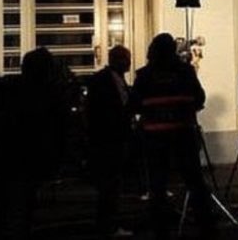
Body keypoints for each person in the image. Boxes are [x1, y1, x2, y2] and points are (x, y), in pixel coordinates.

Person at [0, 47, 70, 240]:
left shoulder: (1, 87)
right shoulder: (45, 94)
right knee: (19, 215)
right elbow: (55, 131)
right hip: (22, 164)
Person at [131, 33, 216, 239]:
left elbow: (134, 104)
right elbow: (199, 98)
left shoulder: (144, 75)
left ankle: (161, 230)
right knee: (195, 182)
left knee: (157, 186)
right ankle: (207, 226)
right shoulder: (185, 72)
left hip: (154, 138)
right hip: (183, 134)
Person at [85, 45, 134, 237]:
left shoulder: (110, 79)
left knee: (111, 185)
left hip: (111, 138)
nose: (129, 63)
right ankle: (107, 225)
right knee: (110, 185)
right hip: (108, 139)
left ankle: (107, 224)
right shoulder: (104, 81)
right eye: (126, 59)